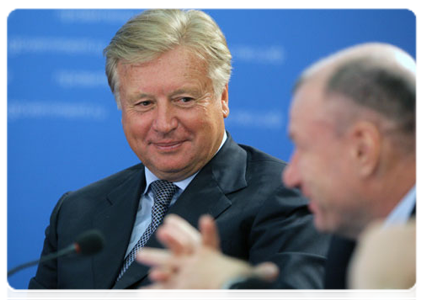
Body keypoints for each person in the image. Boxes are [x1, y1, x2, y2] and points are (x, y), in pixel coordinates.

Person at [27, 8, 329, 300]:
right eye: (144, 104)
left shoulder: (287, 196)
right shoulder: (76, 211)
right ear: (121, 106)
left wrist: (226, 287)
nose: (164, 124)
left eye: (183, 99)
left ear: (222, 97)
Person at [136, 42, 420, 300]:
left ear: (363, 150)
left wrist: (231, 284)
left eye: (304, 148)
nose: (291, 176)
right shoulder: (352, 242)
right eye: (144, 103)